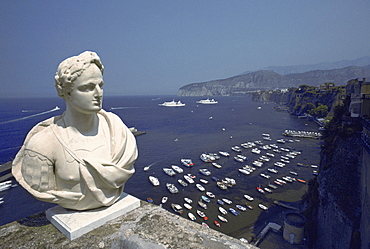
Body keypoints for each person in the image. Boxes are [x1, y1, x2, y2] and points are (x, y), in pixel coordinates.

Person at [12, 51, 138, 210]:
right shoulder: (42, 145)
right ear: (66, 92)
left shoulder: (117, 130)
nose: (98, 94)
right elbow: (41, 188)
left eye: (101, 85)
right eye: (88, 88)